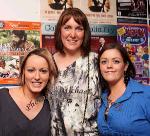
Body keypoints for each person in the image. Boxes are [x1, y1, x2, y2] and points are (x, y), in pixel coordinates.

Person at [48, 8, 101, 135]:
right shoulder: (48, 63)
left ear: (85, 32)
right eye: (67, 27)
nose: (73, 34)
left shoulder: (97, 61)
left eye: (79, 28)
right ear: (60, 31)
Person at [0, 48, 57, 136]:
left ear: (49, 75)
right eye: (31, 70)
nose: (37, 77)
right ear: (23, 72)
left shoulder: (50, 105)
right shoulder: (2, 97)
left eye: (43, 71)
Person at [97, 43, 150, 135]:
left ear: (125, 66)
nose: (109, 66)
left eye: (116, 61)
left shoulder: (145, 95)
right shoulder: (101, 96)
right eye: (104, 62)